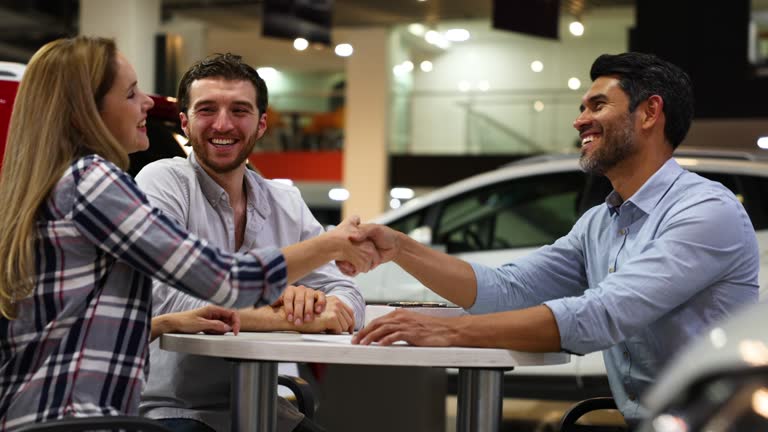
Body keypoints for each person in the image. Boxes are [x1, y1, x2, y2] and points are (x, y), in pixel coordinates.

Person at [350, 52, 760, 427]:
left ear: (650, 112)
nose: (580, 120)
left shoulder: (706, 210)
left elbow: (602, 315)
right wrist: (401, 248)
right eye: (582, 108)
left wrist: (448, 332)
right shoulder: (600, 223)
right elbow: (509, 288)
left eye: (597, 105)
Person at [0, 36, 374, 431]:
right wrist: (328, 249)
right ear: (86, 113)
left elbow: (78, 317)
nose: (147, 102)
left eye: (239, 110)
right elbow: (226, 280)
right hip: (82, 419)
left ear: (261, 123)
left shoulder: (66, 181)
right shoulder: (96, 182)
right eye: (131, 94)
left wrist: (164, 324)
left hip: (48, 414)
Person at [136, 53, 363, 432]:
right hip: (171, 410)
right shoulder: (162, 183)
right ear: (185, 123)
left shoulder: (284, 200)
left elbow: (346, 289)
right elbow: (173, 301)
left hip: (264, 405)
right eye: (207, 109)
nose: (223, 124)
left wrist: (326, 303)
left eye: (239, 110)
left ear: (260, 125)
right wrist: (294, 317)